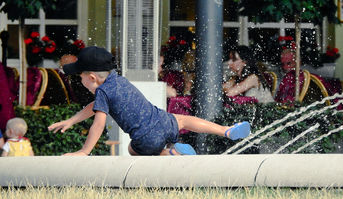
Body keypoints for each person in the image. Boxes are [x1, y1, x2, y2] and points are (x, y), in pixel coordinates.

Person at [48, 46, 251, 156]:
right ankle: (225, 130)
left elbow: (98, 123)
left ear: (91, 78)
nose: (79, 80)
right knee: (182, 119)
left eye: (80, 76)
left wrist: (84, 151)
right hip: (161, 120)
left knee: (132, 150)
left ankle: (169, 154)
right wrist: (72, 120)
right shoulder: (118, 80)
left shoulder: (102, 92)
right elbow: (94, 108)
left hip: (144, 138)